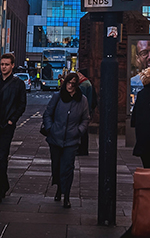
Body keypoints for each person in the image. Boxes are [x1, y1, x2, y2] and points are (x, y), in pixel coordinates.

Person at [0, 51, 27, 205]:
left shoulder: (18, 84)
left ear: (12, 66)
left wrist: (12, 120)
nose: (3, 67)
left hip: (6, 125)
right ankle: (5, 183)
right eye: (2, 64)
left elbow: (21, 104)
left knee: (2, 156)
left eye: (7, 64)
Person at [43, 71, 90, 207]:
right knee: (56, 167)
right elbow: (47, 114)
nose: (70, 86)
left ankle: (67, 196)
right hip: (55, 138)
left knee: (68, 168)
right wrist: (50, 129)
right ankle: (59, 188)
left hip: (71, 140)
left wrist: (78, 131)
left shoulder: (82, 100)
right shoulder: (57, 96)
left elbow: (85, 119)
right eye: (68, 82)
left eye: (73, 84)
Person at [76, 69, 97, 155]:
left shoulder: (84, 84)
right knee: (84, 131)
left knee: (82, 131)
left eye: (79, 74)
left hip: (83, 111)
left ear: (82, 75)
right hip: (86, 110)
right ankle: (83, 149)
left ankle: (82, 150)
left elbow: (80, 98)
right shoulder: (87, 83)